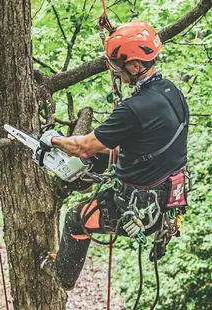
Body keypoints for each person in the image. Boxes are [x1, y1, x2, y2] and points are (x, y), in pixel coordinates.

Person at [38, 21, 189, 291]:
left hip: (142, 205)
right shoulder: (171, 91)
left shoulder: (134, 109)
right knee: (95, 159)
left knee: (75, 218)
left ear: (134, 65)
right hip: (167, 189)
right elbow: (148, 138)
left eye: (118, 67)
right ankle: (69, 183)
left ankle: (62, 274)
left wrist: (53, 139)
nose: (116, 73)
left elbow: (85, 146)